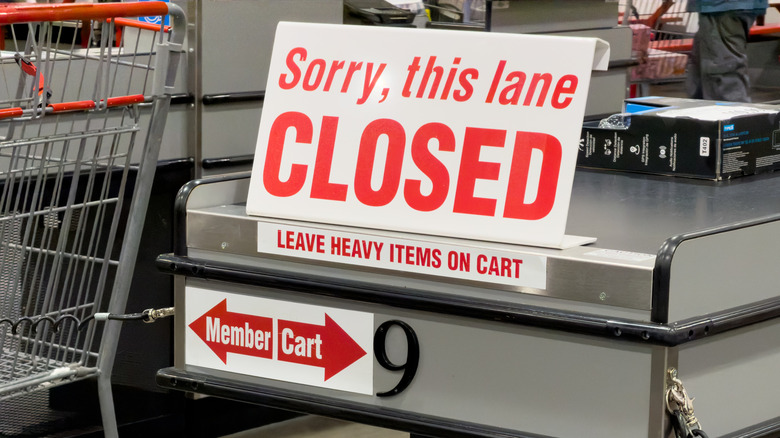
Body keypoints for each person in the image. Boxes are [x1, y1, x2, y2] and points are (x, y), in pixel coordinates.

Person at [685, 0, 768, 102]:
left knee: (722, 69)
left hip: (721, 6)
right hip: (727, 6)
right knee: (699, 73)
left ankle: (734, 114)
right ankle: (698, 113)